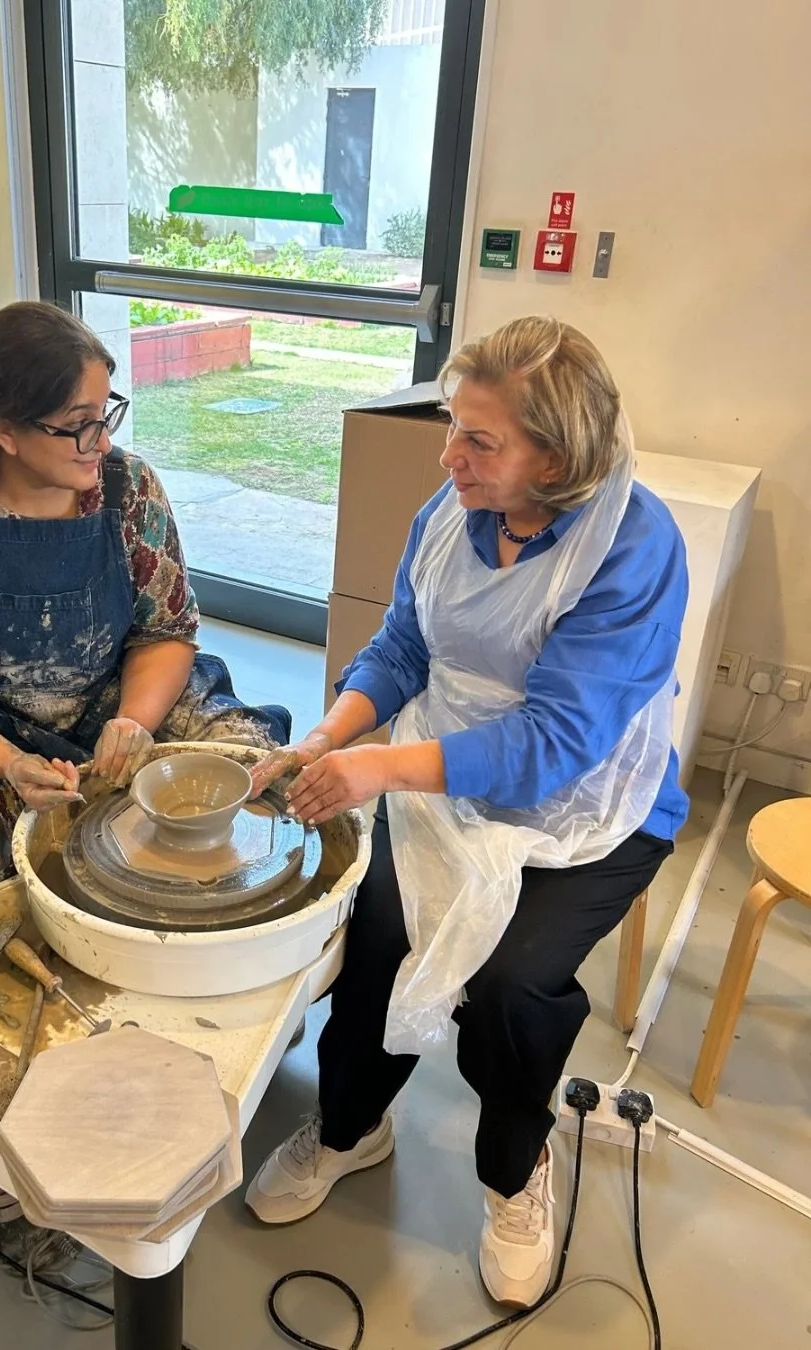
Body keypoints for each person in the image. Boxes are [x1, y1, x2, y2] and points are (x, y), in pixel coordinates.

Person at [245, 316, 688, 1309]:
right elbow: (403, 646)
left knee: (511, 986)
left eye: (480, 440)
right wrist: (326, 741)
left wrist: (381, 771)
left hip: (588, 808)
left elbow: (555, 744)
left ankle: (512, 1170)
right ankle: (352, 1127)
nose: (449, 455)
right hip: (445, 769)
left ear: (558, 459)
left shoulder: (633, 549)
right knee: (377, 927)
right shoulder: (454, 506)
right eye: (453, 426)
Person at [0, 300, 290, 886]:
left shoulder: (129, 488)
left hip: (114, 692)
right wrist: (9, 763)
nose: (103, 443)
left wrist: (136, 720)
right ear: (4, 431)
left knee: (252, 760)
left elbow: (164, 631)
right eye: (79, 423)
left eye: (104, 414)